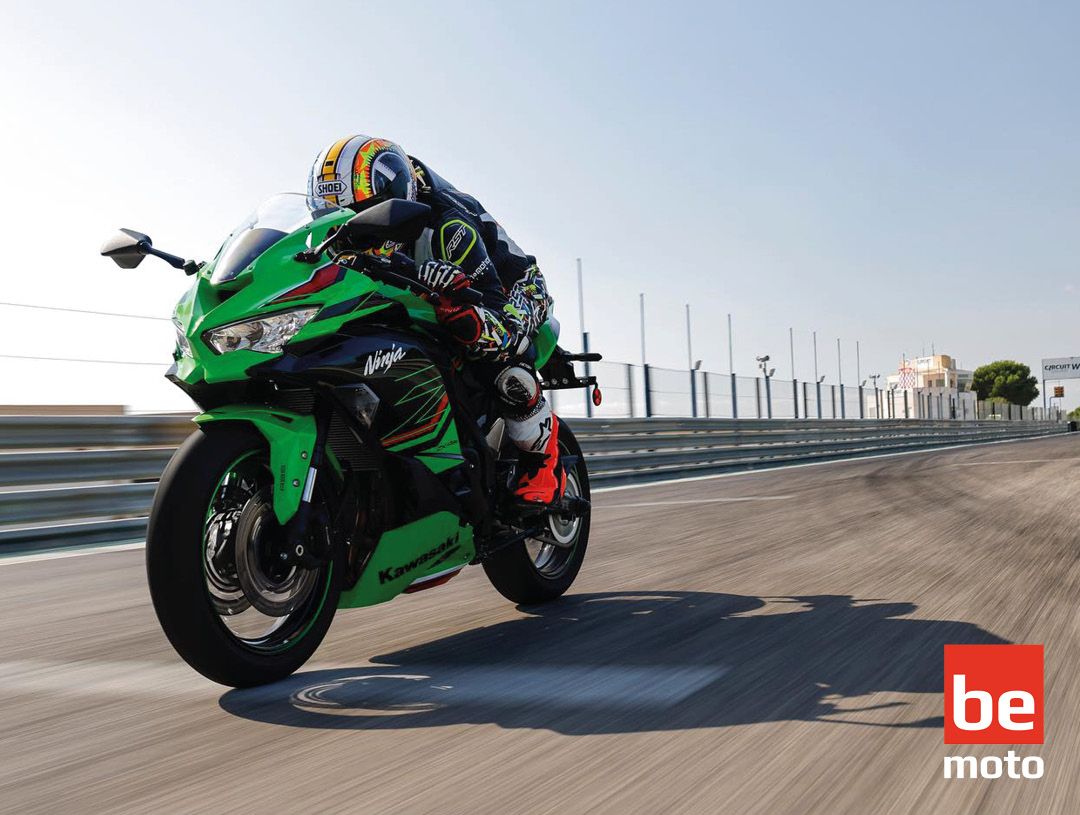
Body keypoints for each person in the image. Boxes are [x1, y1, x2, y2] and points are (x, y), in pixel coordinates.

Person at [307, 134, 564, 505]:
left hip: (514, 289)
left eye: (362, 213)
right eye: (333, 215)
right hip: (424, 279)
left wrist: (453, 295)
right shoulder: (350, 233)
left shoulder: (447, 226)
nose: (350, 228)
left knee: (486, 338)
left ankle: (541, 462)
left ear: (392, 194)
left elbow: (490, 299)